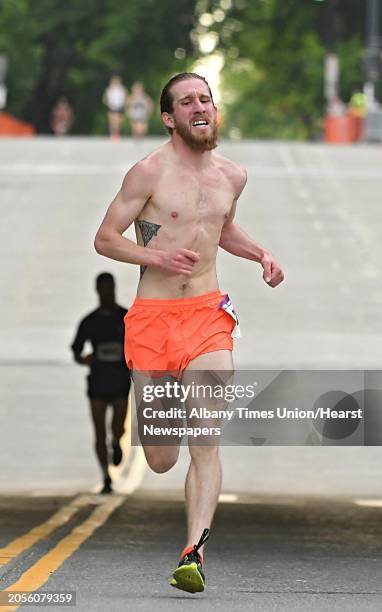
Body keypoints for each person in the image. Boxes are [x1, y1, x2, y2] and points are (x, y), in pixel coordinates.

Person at [94, 72, 284, 591]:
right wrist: (156, 255)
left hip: (206, 315)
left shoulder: (232, 176)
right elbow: (106, 238)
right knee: (160, 458)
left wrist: (261, 253)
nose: (200, 107)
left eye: (206, 99)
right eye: (187, 102)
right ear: (169, 117)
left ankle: (193, 554)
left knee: (206, 437)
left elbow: (222, 229)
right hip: (153, 320)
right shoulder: (147, 173)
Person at [71, 273, 131, 494]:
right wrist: (84, 359)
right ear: (97, 290)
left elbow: (138, 345)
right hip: (97, 382)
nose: (107, 292)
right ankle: (105, 476)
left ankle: (116, 440)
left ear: (114, 289)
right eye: (103, 289)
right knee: (98, 431)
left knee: (118, 424)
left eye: (110, 288)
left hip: (120, 382)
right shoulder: (89, 322)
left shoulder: (126, 318)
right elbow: (76, 351)